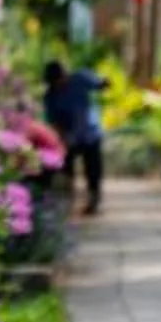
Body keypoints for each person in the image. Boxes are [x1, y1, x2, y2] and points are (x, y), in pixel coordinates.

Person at [42, 59, 105, 214]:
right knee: (65, 169)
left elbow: (100, 84)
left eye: (61, 79)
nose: (59, 84)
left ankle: (93, 200)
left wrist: (102, 83)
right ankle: (67, 200)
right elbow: (53, 121)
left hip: (90, 133)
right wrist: (62, 137)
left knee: (93, 169)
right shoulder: (50, 96)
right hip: (70, 138)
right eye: (55, 82)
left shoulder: (80, 78)